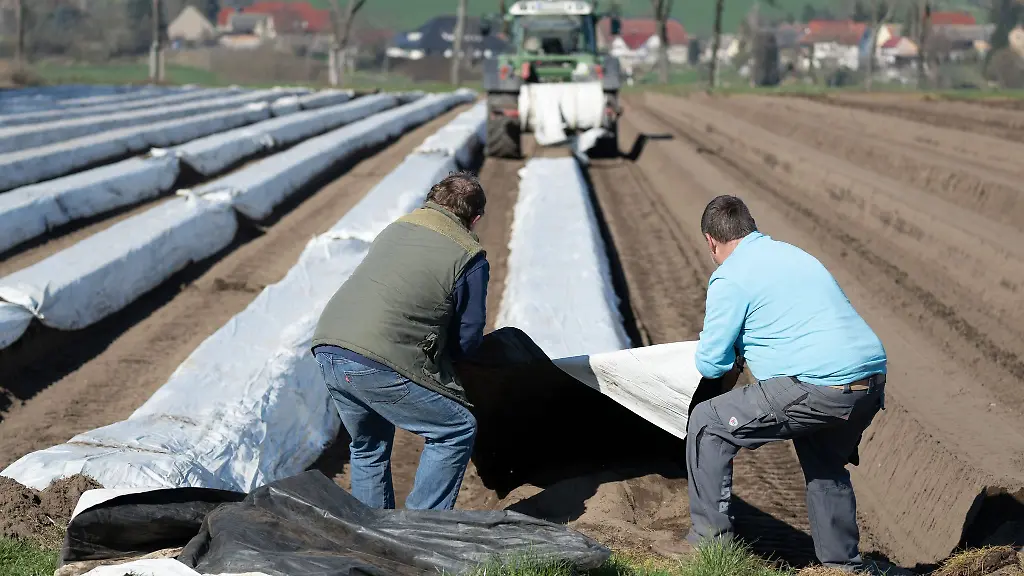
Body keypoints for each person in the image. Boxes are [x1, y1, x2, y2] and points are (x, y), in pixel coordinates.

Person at [685, 195, 887, 572]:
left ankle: (709, 547)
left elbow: (712, 363)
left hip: (820, 386)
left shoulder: (730, 276)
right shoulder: (794, 255)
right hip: (870, 379)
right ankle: (843, 566)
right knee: (824, 463)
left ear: (711, 241)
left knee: (708, 424)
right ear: (750, 227)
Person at [310, 171, 489, 511]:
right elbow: (468, 334)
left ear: (431, 201)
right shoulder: (469, 254)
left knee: (368, 446)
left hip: (330, 346)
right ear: (475, 218)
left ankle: (373, 539)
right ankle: (420, 531)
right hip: (377, 360)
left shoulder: (397, 228)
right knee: (455, 428)